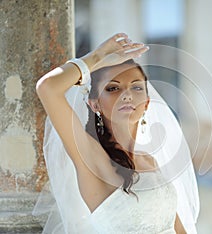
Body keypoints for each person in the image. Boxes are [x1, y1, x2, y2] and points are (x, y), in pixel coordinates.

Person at [34, 33, 199, 233]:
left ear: (147, 103)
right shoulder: (94, 161)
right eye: (113, 88)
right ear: (94, 104)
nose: (127, 95)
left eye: (137, 87)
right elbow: (48, 88)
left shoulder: (150, 161)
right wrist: (97, 57)